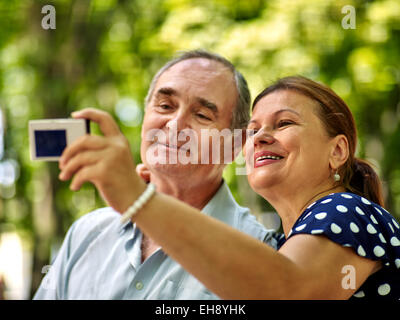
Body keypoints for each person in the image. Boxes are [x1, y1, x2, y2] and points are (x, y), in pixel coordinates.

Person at [56, 75, 400, 299]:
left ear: (337, 150)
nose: (261, 137)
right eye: (252, 130)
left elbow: (287, 292)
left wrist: (140, 200)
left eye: (284, 123)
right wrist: (166, 198)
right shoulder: (283, 243)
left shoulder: (345, 210)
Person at [33, 50, 278, 300]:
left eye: (202, 115)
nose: (175, 124)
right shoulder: (87, 232)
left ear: (234, 146)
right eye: (165, 106)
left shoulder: (261, 253)